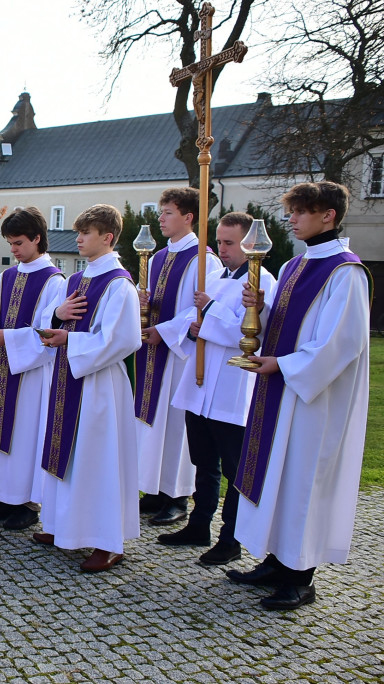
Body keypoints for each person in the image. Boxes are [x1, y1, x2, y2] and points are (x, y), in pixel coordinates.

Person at [228, 181, 370, 610]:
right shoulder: (295, 266)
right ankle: (275, 561)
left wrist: (282, 365)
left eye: (299, 211)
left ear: (327, 214)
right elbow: (288, 323)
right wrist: (262, 309)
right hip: (281, 392)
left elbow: (340, 343)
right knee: (277, 476)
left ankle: (300, 576)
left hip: (314, 401)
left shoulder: (346, 272)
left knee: (303, 482)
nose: (290, 219)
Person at [160, 213, 276, 564]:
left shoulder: (261, 284)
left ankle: (231, 538)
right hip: (200, 384)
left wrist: (207, 313)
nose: (222, 249)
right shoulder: (211, 276)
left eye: (230, 243)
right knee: (203, 461)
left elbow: (248, 334)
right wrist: (187, 329)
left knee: (234, 467)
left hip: (232, 388)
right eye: (221, 242)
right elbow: (189, 321)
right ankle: (199, 524)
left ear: (249, 246)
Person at [33, 204, 142, 572]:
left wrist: (70, 342)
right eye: (78, 231)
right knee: (68, 455)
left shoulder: (119, 285)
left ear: (107, 237)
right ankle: (62, 525)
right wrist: (54, 321)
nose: (77, 238)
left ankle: (107, 540)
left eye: (86, 232)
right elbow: (50, 318)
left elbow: (123, 340)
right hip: (67, 379)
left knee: (98, 460)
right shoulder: (77, 280)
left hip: (99, 386)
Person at [0, 207, 65, 531]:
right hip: (2, 368)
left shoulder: (54, 281)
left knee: (25, 435)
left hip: (30, 375)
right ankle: (3, 497)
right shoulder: (8, 276)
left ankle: (27, 503)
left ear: (37, 238)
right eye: (10, 243)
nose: (13, 250)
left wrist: (8, 338)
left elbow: (48, 333)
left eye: (18, 243)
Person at [135, 187, 221, 525]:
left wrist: (165, 331)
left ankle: (178, 495)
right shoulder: (156, 257)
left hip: (179, 356)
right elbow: (152, 299)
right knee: (151, 422)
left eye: (168, 212)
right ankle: (153, 489)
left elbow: (200, 309)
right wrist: (142, 305)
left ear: (188, 217)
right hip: (151, 353)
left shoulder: (203, 259)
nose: (161, 218)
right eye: (161, 212)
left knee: (175, 427)